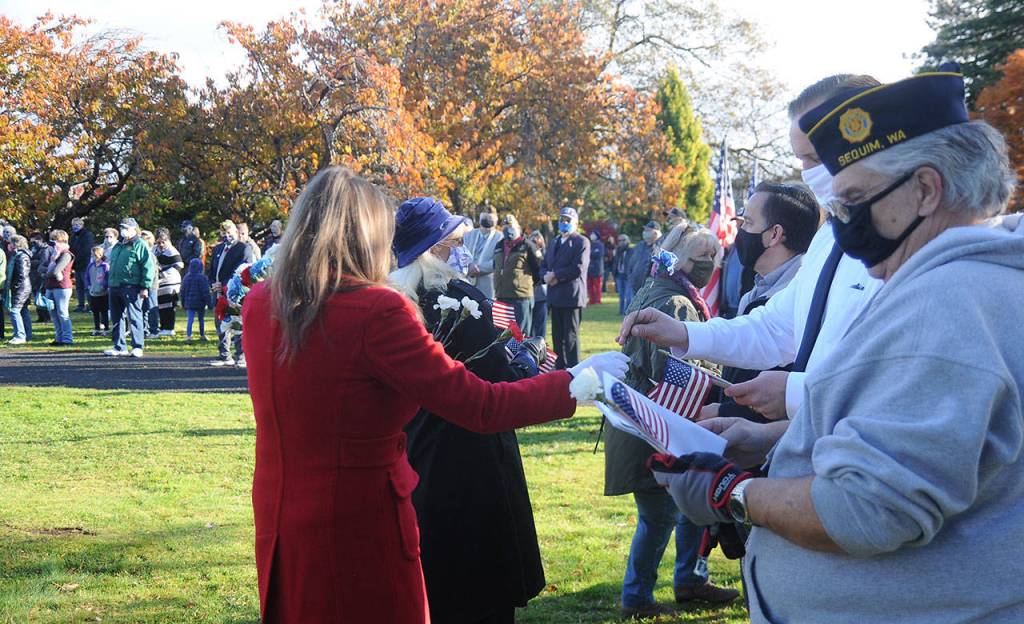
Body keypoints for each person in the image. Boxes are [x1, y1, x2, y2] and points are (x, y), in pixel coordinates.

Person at [647, 65, 1024, 623]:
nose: (843, 223)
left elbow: (866, 510)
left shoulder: (944, 302)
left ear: (924, 189)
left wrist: (734, 491)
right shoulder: (980, 281)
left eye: (854, 201)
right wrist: (777, 436)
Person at [242, 165, 628, 623]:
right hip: (361, 522)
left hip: (282, 519)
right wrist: (577, 380)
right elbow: (480, 405)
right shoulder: (377, 311)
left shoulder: (261, 303)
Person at [619, 73, 884, 425]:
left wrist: (795, 396)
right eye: (799, 159)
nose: (806, 174)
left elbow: (895, 384)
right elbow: (774, 328)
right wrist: (684, 334)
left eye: (814, 157)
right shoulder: (828, 238)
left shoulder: (904, 247)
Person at [390, 196, 556, 624]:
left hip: (418, 456)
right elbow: (498, 382)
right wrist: (529, 363)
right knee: (481, 592)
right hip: (472, 461)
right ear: (435, 247)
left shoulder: (392, 302)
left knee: (438, 586)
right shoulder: (454, 300)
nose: (464, 251)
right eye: (457, 241)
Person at [606, 226, 736, 619]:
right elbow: (671, 369)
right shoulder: (676, 301)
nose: (709, 264)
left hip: (654, 418)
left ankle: (689, 579)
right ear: (677, 257)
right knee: (659, 516)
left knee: (690, 507)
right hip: (655, 423)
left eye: (714, 256)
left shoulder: (659, 288)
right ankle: (638, 597)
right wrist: (717, 374)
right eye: (700, 256)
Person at [701, 183, 820, 425]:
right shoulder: (757, 289)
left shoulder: (801, 297)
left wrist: (723, 413)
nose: (740, 231)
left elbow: (783, 400)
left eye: (747, 223)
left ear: (774, 234)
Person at [543, 207, 589, 369]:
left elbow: (578, 267)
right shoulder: (555, 241)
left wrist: (555, 275)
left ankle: (573, 369)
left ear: (576, 223)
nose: (564, 223)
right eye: (562, 220)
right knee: (557, 337)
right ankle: (559, 369)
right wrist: (545, 276)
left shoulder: (581, 241)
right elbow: (544, 264)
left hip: (571, 297)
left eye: (568, 220)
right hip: (554, 296)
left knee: (570, 337)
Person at [105, 217, 156, 358]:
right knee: (116, 318)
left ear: (134, 229)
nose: (123, 230)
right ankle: (119, 346)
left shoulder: (140, 244)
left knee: (135, 317)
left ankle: (138, 346)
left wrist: (145, 286)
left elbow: (148, 267)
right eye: (122, 227)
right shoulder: (118, 245)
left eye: (126, 228)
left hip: (131, 286)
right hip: (115, 285)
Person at [208, 220, 254, 367]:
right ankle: (224, 355)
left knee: (237, 324)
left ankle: (241, 356)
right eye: (224, 233)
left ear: (236, 231)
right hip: (218, 293)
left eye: (229, 232)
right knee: (220, 323)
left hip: (235, 293)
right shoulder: (218, 249)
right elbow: (212, 270)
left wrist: (224, 285)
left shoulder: (243, 248)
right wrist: (213, 284)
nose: (227, 235)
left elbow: (242, 270)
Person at [493, 214, 542, 337]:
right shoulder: (499, 245)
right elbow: (496, 267)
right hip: (501, 296)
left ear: (518, 228)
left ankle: (522, 356)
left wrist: (525, 285)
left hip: (521, 298)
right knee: (502, 335)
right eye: (504, 226)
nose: (507, 229)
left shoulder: (528, 245)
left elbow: (538, 270)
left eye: (511, 226)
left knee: (521, 335)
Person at [44, 229, 75, 346]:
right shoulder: (53, 254)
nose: (53, 243)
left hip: (62, 287)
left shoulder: (66, 254)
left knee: (62, 313)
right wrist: (47, 271)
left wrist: (46, 273)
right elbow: (41, 266)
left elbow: (56, 270)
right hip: (50, 286)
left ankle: (67, 339)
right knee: (53, 313)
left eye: (55, 240)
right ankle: (59, 338)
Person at [462, 210, 501, 299]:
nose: (487, 221)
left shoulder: (500, 238)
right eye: (484, 219)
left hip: (487, 285)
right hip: (467, 281)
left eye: (490, 219)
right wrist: (468, 266)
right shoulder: (469, 235)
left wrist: (479, 268)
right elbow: (462, 253)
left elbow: (498, 260)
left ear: (496, 222)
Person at [154, 228, 184, 336]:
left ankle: (169, 328)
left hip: (171, 282)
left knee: (169, 306)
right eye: (159, 242)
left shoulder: (172, 251)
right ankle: (163, 327)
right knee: (161, 306)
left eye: (163, 242)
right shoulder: (155, 249)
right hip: (160, 282)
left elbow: (179, 265)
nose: (161, 244)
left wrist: (164, 272)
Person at [6, 235, 33, 344]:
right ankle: (27, 334)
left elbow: (22, 273)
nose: (9, 245)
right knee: (23, 310)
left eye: (11, 243)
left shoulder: (21, 256)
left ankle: (20, 336)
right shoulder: (18, 255)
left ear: (15, 244)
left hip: (21, 288)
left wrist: (15, 286)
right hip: (23, 287)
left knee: (14, 311)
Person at [180, 258, 211, 342]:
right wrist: (209, 304)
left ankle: (188, 336)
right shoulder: (202, 278)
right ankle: (202, 335)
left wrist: (183, 303)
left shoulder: (186, 278)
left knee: (190, 320)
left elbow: (182, 291)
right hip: (200, 303)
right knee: (201, 319)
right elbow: (205, 292)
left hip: (189, 303)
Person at [627, 221, 661, 295]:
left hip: (651, 288)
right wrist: (630, 277)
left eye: (647, 230)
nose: (644, 232)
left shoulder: (662, 246)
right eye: (644, 230)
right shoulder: (640, 245)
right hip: (635, 285)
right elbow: (631, 262)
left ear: (655, 233)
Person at [83, 245, 110, 336]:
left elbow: (107, 278)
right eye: (92, 255)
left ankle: (106, 328)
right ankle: (97, 328)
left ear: (101, 255)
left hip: (103, 293)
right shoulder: (90, 265)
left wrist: (104, 286)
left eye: (95, 255)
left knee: (104, 311)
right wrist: (88, 286)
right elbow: (86, 276)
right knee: (95, 312)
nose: (93, 257)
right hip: (93, 292)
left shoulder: (105, 266)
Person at [69, 217, 94, 312]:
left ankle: (91, 305)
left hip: (85, 264)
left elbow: (86, 250)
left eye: (77, 225)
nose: (75, 227)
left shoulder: (87, 235)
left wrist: (76, 260)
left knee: (87, 286)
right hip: (77, 265)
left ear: (82, 225)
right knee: (79, 286)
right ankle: (80, 305)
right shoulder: (73, 236)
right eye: (74, 225)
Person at [140, 230, 161, 338]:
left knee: (152, 307)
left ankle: (154, 330)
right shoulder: (145, 253)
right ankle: (145, 329)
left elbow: (151, 272)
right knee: (144, 308)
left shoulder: (150, 255)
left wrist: (146, 286)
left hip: (151, 285)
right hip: (144, 284)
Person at [528, 231, 548, 339]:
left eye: (537, 240)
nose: (535, 243)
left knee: (541, 326)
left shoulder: (545, 254)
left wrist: (539, 254)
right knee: (530, 328)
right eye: (532, 240)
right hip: (528, 294)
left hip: (540, 294)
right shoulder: (526, 252)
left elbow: (544, 269)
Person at [29, 233, 52, 323]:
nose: (33, 243)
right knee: (36, 296)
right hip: (34, 276)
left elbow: (43, 262)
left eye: (34, 240)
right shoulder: (34, 249)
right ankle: (41, 316)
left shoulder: (45, 249)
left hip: (41, 276)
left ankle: (46, 317)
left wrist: (30, 262)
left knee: (42, 296)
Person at [612, 234, 633, 314]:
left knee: (628, 295)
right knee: (621, 295)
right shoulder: (617, 251)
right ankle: (621, 311)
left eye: (624, 240)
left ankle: (628, 311)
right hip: (619, 275)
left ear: (628, 240)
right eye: (620, 240)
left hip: (628, 275)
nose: (621, 242)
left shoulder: (632, 251)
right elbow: (615, 262)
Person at [587, 230, 605, 306]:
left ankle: (597, 300)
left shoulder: (600, 245)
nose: (592, 235)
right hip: (589, 269)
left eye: (593, 234)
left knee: (597, 286)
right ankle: (591, 300)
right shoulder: (589, 244)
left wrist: (590, 254)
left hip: (597, 269)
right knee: (590, 286)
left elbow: (598, 254)